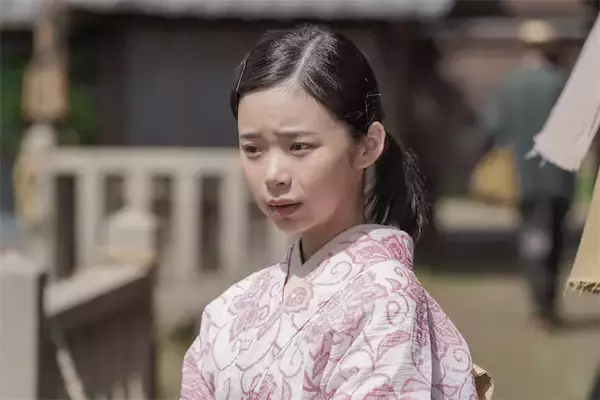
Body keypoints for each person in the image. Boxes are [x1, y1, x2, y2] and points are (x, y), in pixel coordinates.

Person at [181, 24, 483, 399]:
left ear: (367, 146)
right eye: (253, 149)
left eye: (299, 147)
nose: (273, 175)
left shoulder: (386, 299)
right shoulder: (227, 311)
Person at [477, 20, 576, 330]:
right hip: (559, 179)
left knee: (532, 241)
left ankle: (538, 309)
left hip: (525, 178)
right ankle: (549, 306)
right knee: (555, 243)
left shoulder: (511, 86)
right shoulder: (560, 83)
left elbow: (493, 126)